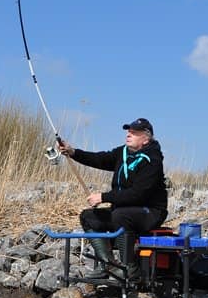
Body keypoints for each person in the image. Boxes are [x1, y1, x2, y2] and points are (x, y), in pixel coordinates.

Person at [58, 118, 168, 287]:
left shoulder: (152, 160)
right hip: (123, 211)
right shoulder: (123, 153)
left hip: (150, 212)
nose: (128, 134)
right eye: (128, 131)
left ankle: (128, 267)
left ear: (146, 139)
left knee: (120, 215)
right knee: (88, 217)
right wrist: (73, 152)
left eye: (134, 132)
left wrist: (104, 197)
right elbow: (99, 159)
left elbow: (138, 195)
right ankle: (108, 265)